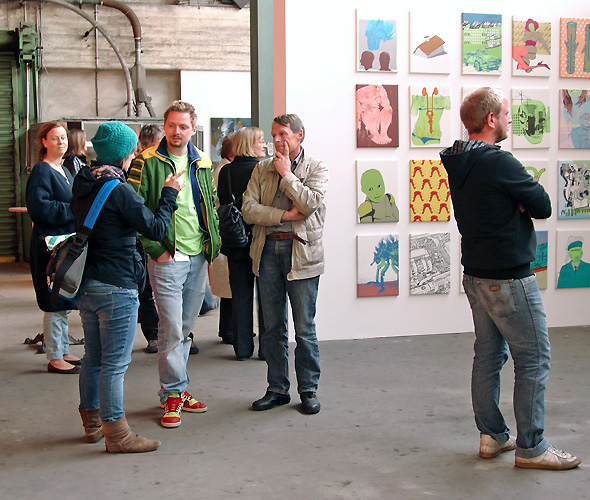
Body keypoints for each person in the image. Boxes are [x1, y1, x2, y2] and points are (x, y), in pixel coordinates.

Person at [440, 87, 581, 470]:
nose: (509, 119)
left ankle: (492, 436)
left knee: (488, 354)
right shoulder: (500, 164)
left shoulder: (458, 160)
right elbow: (544, 205)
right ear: (490, 120)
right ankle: (531, 447)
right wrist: (521, 201)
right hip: (509, 278)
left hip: (476, 275)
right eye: (505, 112)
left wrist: (518, 201)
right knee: (533, 358)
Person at [72, 121, 184, 453]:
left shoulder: (84, 182)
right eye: (132, 149)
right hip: (116, 286)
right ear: (123, 154)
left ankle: (92, 424)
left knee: (93, 357)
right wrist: (169, 194)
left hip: (86, 285)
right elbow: (155, 227)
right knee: (115, 365)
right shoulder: (117, 190)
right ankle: (117, 435)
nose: (136, 153)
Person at [128, 100, 221, 428]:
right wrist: (156, 249)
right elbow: (135, 212)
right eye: (171, 126)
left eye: (183, 126)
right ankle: (173, 393)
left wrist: (212, 245)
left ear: (192, 128)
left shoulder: (203, 163)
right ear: (164, 126)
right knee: (170, 329)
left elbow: (209, 204)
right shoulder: (146, 162)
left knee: (184, 328)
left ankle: (176, 389)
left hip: (197, 257)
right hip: (167, 258)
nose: (177, 132)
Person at [242, 114, 328, 414]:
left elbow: (309, 204)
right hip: (267, 251)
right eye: (274, 135)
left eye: (283, 135)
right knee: (271, 327)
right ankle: (277, 388)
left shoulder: (316, 167)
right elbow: (248, 209)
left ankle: (308, 389)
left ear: (299, 135)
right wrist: (283, 216)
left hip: (301, 253)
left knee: (304, 328)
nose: (277, 141)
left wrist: (287, 174)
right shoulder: (261, 168)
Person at [26, 121, 81, 374]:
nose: (61, 142)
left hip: (66, 243)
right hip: (49, 245)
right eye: (55, 138)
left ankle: (63, 350)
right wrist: (73, 210)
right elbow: (40, 208)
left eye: (64, 137)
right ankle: (54, 357)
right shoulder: (42, 170)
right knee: (53, 301)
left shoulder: (65, 170)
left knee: (64, 299)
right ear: (44, 142)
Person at [218, 127, 266, 360]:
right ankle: (267, 349)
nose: (265, 145)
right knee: (267, 298)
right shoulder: (263, 170)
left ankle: (243, 348)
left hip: (236, 240)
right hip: (261, 238)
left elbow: (224, 202)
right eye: (261, 141)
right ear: (250, 144)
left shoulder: (226, 171)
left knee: (240, 296)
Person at [136, 124, 164, 353]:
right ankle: (153, 335)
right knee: (146, 290)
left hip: (162, 237)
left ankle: (184, 335)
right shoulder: (138, 168)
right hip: (145, 240)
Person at [210, 132, 236, 344]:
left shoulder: (221, 167)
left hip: (222, 230)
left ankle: (227, 330)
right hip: (226, 231)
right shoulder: (225, 170)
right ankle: (228, 331)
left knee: (228, 286)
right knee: (230, 286)